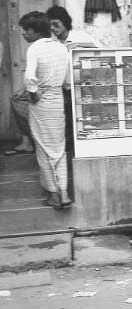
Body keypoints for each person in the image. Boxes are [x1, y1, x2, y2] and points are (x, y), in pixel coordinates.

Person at [5, 6, 97, 156]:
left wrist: (78, 46)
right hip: (57, 88)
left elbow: (101, 49)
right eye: (51, 25)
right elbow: (41, 70)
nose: (53, 28)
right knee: (17, 100)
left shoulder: (79, 36)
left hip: (78, 88)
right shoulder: (51, 42)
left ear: (65, 22)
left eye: (56, 24)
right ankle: (27, 141)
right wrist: (27, 89)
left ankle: (64, 145)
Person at [19, 12, 72, 209]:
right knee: (58, 147)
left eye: (27, 30)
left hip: (41, 102)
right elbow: (68, 81)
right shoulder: (61, 47)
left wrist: (34, 94)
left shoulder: (34, 48)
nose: (24, 33)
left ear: (36, 31)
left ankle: (54, 194)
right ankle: (64, 192)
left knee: (43, 148)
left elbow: (29, 78)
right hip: (57, 100)